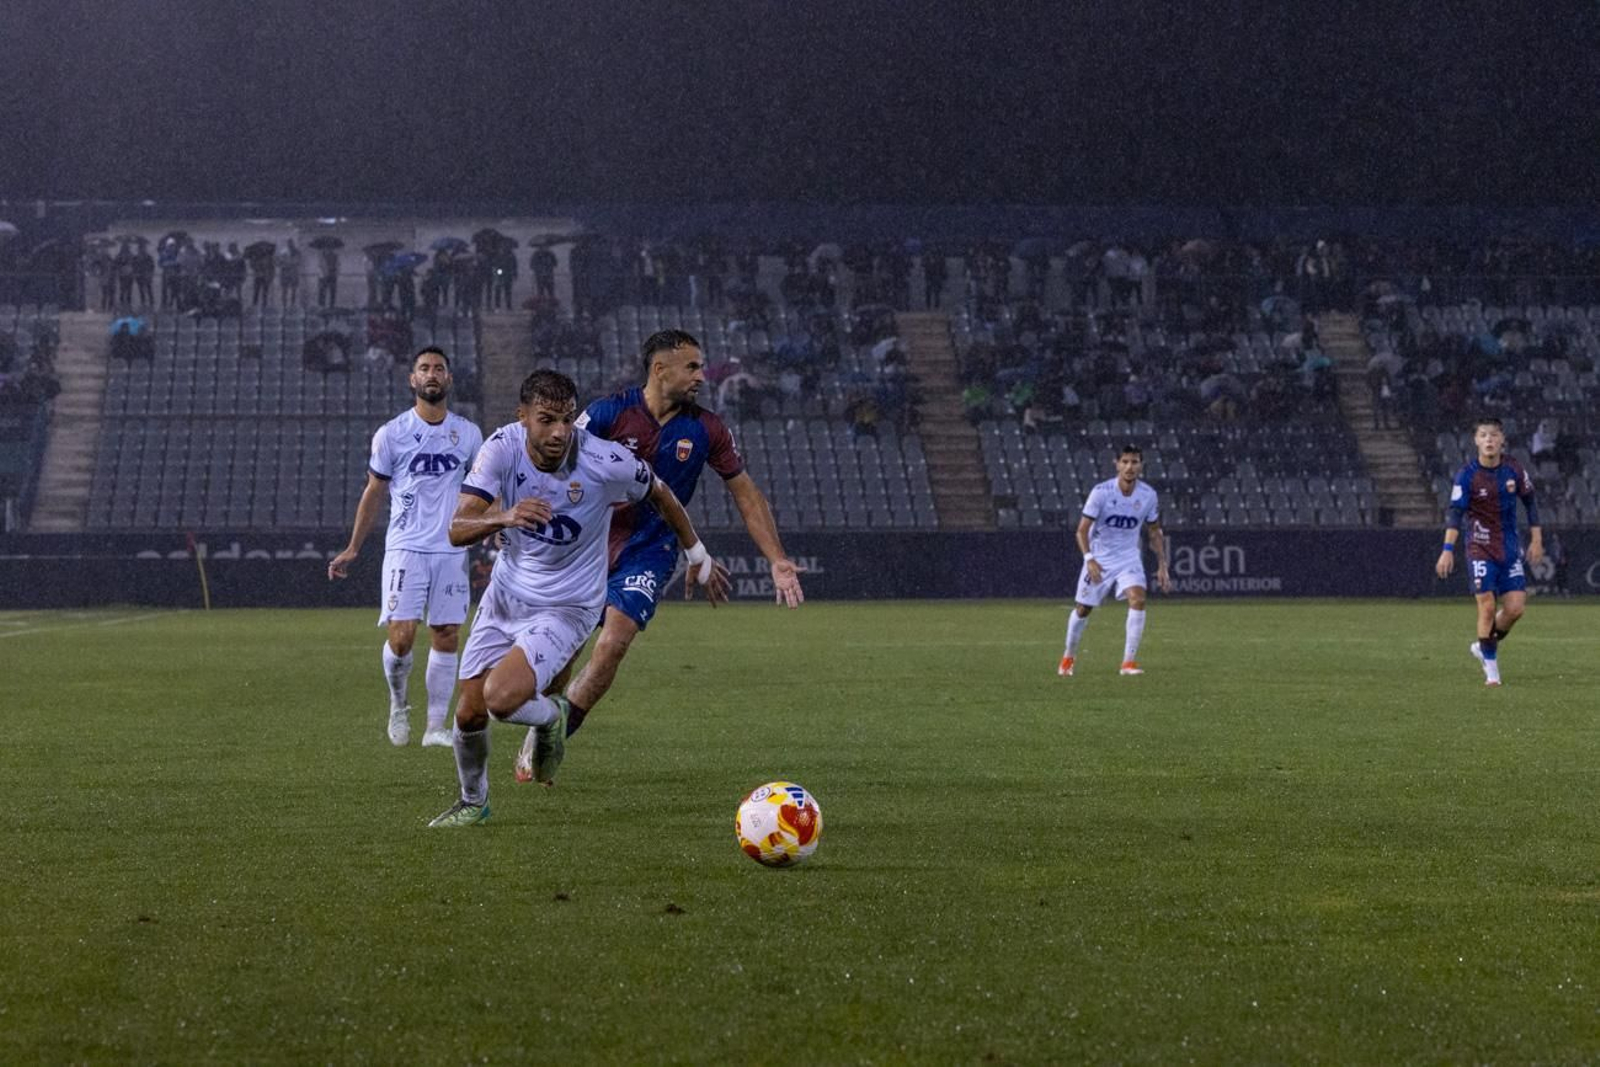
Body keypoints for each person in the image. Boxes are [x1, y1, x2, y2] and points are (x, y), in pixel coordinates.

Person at [428, 369, 728, 827]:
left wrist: (696, 551)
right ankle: (474, 802)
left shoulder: (604, 461)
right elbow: (456, 529)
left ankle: (551, 718)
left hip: (568, 604)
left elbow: (661, 492)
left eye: (567, 419)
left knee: (501, 699)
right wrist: (505, 516)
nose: (560, 432)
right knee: (469, 713)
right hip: (507, 594)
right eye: (547, 420)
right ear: (522, 418)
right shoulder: (500, 449)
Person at [513, 329, 805, 781]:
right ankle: (547, 721)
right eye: (691, 366)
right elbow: (555, 465)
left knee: (612, 645)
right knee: (562, 657)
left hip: (650, 552)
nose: (701, 376)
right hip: (587, 549)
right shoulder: (610, 413)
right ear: (659, 369)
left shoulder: (707, 429)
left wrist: (777, 558)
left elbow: (746, 494)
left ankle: (555, 737)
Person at [328, 347, 484, 745]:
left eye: (439, 369)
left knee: (447, 632)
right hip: (406, 548)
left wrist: (494, 524)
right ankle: (398, 704)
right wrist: (353, 547)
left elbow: (484, 488)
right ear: (412, 380)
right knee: (401, 637)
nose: (432, 374)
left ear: (449, 379)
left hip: (451, 547)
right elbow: (373, 492)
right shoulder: (392, 434)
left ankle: (435, 727)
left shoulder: (468, 433)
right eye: (424, 368)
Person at [1434, 416, 1543, 687]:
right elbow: (1455, 515)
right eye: (1483, 435)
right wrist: (1447, 549)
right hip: (1479, 548)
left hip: (1508, 548)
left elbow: (1530, 502)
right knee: (1487, 607)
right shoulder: (1467, 475)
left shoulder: (1514, 469)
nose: (1489, 440)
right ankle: (1492, 672)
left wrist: (1536, 539)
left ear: (1502, 439)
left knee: (1516, 609)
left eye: (1494, 435)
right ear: (1476, 441)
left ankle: (1482, 645)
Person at [1059, 444, 1171, 677]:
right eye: (1125, 462)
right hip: (1100, 558)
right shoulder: (1101, 492)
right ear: (1117, 464)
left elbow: (1154, 532)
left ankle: (1127, 663)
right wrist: (1089, 559)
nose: (1130, 467)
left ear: (1141, 465)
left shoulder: (1148, 495)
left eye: (1135, 462)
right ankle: (1068, 657)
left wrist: (1162, 564)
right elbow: (1081, 531)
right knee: (1083, 609)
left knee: (1138, 599)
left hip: (1128, 557)